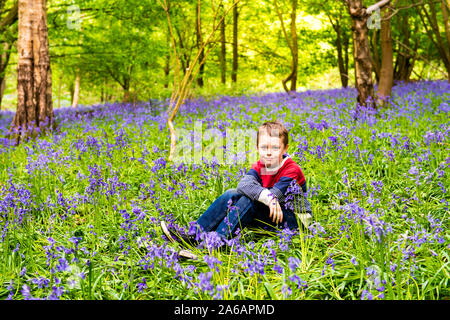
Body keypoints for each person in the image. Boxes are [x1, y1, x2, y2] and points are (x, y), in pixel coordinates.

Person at [160, 121, 312, 259]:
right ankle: (195, 235)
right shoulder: (260, 165)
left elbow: (275, 195)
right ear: (257, 148)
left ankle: (213, 246)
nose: (269, 152)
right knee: (232, 193)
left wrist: (266, 196)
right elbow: (243, 186)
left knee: (249, 200)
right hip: (271, 213)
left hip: (294, 222)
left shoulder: (291, 169)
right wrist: (265, 195)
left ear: (285, 148)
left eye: (275, 147)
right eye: (264, 147)